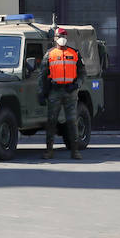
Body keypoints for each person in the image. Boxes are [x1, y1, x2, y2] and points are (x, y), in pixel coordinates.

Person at [41, 27, 86, 161]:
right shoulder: (49, 54)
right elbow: (42, 75)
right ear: (55, 38)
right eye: (60, 36)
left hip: (70, 92)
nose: (62, 38)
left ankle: (75, 151)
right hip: (55, 91)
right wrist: (42, 92)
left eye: (64, 35)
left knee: (72, 121)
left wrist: (76, 84)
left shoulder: (75, 53)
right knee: (51, 121)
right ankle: (49, 151)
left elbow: (83, 73)